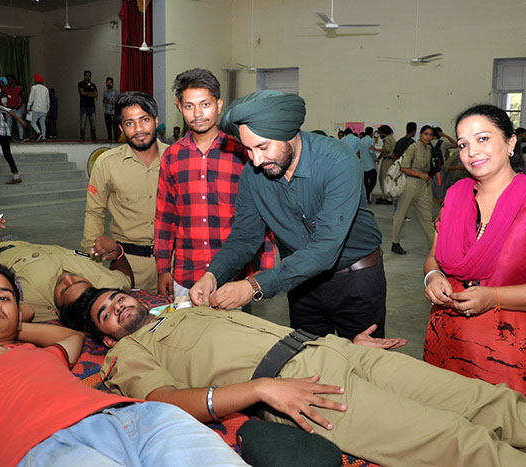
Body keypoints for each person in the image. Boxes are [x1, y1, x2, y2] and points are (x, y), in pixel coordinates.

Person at [60, 287, 526, 467]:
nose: (117, 307)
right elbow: (165, 400)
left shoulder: (185, 310)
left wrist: (344, 345)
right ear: (104, 336)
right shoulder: (128, 353)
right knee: (460, 444)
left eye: (116, 297)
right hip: (301, 390)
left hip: (336, 350)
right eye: (105, 314)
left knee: (492, 403)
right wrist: (259, 392)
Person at [0, 262, 247, 467]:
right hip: (39, 449)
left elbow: (72, 337)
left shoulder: (37, 352)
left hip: (134, 419)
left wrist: (9, 328)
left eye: (4, 298)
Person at [190, 90, 386, 339]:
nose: (256, 160)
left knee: (361, 359)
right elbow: (244, 237)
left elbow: (325, 248)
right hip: (298, 281)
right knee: (305, 358)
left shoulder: (337, 161)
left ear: (290, 134)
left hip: (355, 280)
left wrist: (253, 286)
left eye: (263, 147)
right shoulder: (253, 174)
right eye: (248, 150)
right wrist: (213, 275)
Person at [422, 104, 526, 409]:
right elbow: (434, 258)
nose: (471, 152)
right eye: (463, 144)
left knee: (503, 430)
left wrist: (493, 297)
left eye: (482, 139)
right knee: (445, 426)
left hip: (509, 351)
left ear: (510, 143)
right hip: (446, 339)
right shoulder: (455, 196)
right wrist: (433, 276)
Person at [155, 69, 274, 301]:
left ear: (219, 105)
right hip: (186, 275)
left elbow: (262, 213)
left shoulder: (242, 153)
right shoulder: (171, 156)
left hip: (234, 278)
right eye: (189, 106)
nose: (198, 113)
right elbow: (165, 217)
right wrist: (163, 268)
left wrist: (266, 268)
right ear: (179, 108)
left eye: (205, 104)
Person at [0, 215, 133, 322]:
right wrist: (117, 253)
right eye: (78, 279)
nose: (67, 278)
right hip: (22, 245)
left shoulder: (31, 301)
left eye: (63, 289)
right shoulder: (106, 284)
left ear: (57, 311)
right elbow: (126, 278)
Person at [82, 92, 167, 292]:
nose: (138, 129)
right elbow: (94, 212)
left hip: (173, 266)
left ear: (156, 121)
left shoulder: (176, 158)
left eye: (144, 120)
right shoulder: (107, 163)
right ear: (121, 128)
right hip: (127, 266)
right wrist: (93, 261)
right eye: (129, 123)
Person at [390, 125, 436, 255]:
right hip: (410, 183)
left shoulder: (428, 149)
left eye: (430, 135)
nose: (428, 137)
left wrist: (425, 177)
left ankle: (435, 245)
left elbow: (427, 168)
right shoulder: (413, 147)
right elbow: (403, 168)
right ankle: (395, 242)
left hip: (422, 185)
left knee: (426, 216)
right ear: (420, 134)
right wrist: (420, 174)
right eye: (426, 134)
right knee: (400, 214)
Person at [373, 124, 396, 204]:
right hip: (386, 160)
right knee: (382, 178)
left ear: (384, 132)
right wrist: (378, 158)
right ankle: (384, 196)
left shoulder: (387, 139)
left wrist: (375, 149)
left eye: (380, 133)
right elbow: (384, 151)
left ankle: (386, 198)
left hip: (388, 161)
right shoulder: (390, 138)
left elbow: (387, 150)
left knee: (384, 179)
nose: (379, 135)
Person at [27, 74, 50, 142]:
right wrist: (47, 109)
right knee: (42, 124)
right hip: (44, 109)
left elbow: (31, 98)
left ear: (35, 81)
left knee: (33, 123)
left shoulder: (34, 87)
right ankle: (44, 138)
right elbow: (48, 100)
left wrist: (28, 107)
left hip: (36, 108)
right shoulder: (46, 89)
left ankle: (39, 133)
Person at [4, 74, 27, 142]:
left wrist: (19, 105)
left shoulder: (18, 89)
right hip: (9, 109)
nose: (9, 81)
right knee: (9, 125)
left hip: (17, 109)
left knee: (19, 124)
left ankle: (21, 139)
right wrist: (3, 105)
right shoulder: (5, 88)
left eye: (10, 79)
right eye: (8, 79)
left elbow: (23, 98)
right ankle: (8, 139)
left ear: (13, 80)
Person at [358, 127, 377, 203]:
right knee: (373, 181)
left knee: (365, 182)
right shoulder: (371, 140)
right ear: (372, 133)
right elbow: (371, 151)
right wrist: (375, 158)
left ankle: (366, 197)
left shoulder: (361, 140)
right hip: (370, 165)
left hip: (363, 165)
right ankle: (367, 194)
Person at [78, 70, 97, 143]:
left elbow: (95, 95)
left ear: (90, 76)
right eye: (86, 75)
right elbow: (82, 93)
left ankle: (94, 139)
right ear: (84, 76)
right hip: (83, 106)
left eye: (89, 76)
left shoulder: (93, 85)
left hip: (92, 107)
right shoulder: (81, 84)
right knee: (83, 124)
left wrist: (87, 93)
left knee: (93, 124)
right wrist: (90, 93)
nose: (88, 77)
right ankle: (82, 139)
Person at [103, 77, 119, 142]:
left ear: (112, 83)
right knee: (108, 126)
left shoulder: (116, 91)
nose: (109, 84)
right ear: (106, 83)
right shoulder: (105, 92)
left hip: (113, 112)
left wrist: (110, 101)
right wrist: (105, 100)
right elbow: (104, 100)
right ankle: (109, 138)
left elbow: (117, 101)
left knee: (114, 126)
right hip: (106, 111)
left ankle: (116, 139)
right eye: (108, 82)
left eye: (110, 83)